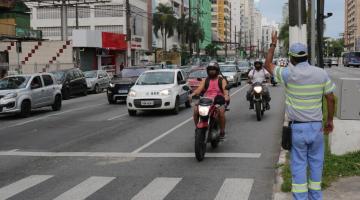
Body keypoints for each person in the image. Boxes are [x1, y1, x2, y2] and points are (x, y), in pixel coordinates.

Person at [264, 32, 336, 200]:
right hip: (317, 127)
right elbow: (330, 98)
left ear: (292, 58)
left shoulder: (289, 74)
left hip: (298, 129)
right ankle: (316, 197)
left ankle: (300, 198)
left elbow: (267, 65)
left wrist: (273, 44)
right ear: (306, 56)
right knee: (316, 164)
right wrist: (330, 120)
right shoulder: (321, 73)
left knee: (298, 165)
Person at [189, 62, 230, 139]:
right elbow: (199, 89)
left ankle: (222, 131)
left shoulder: (222, 80)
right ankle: (197, 128)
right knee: (195, 111)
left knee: (221, 112)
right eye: (210, 70)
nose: (211, 71)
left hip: (218, 100)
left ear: (217, 71)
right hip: (206, 100)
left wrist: (226, 96)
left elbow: (225, 91)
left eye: (213, 70)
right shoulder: (205, 80)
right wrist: (193, 94)